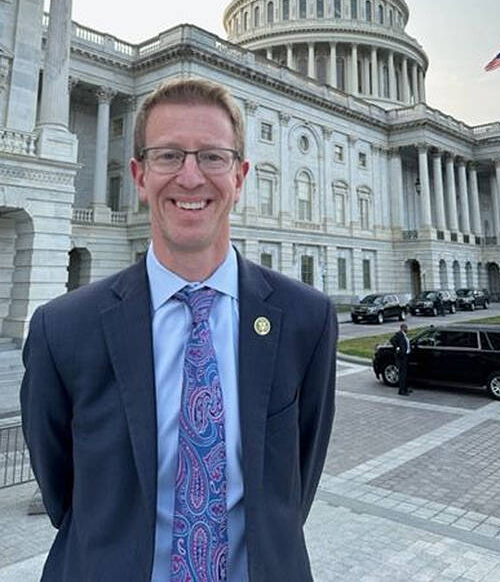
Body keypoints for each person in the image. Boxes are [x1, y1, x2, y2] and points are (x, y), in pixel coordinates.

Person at [21, 78, 337, 582]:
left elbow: (294, 485)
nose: (190, 178)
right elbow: (61, 490)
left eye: (212, 157)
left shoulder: (306, 319)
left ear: (240, 175)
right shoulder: (63, 329)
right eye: (169, 156)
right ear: (139, 176)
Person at [390, 322, 412, 396]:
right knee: (402, 374)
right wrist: (397, 348)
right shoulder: (399, 334)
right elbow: (392, 340)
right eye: (405, 328)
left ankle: (405, 388)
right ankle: (401, 390)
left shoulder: (405, 335)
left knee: (405, 373)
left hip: (406, 356)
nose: (407, 329)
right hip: (402, 357)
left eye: (406, 328)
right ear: (402, 328)